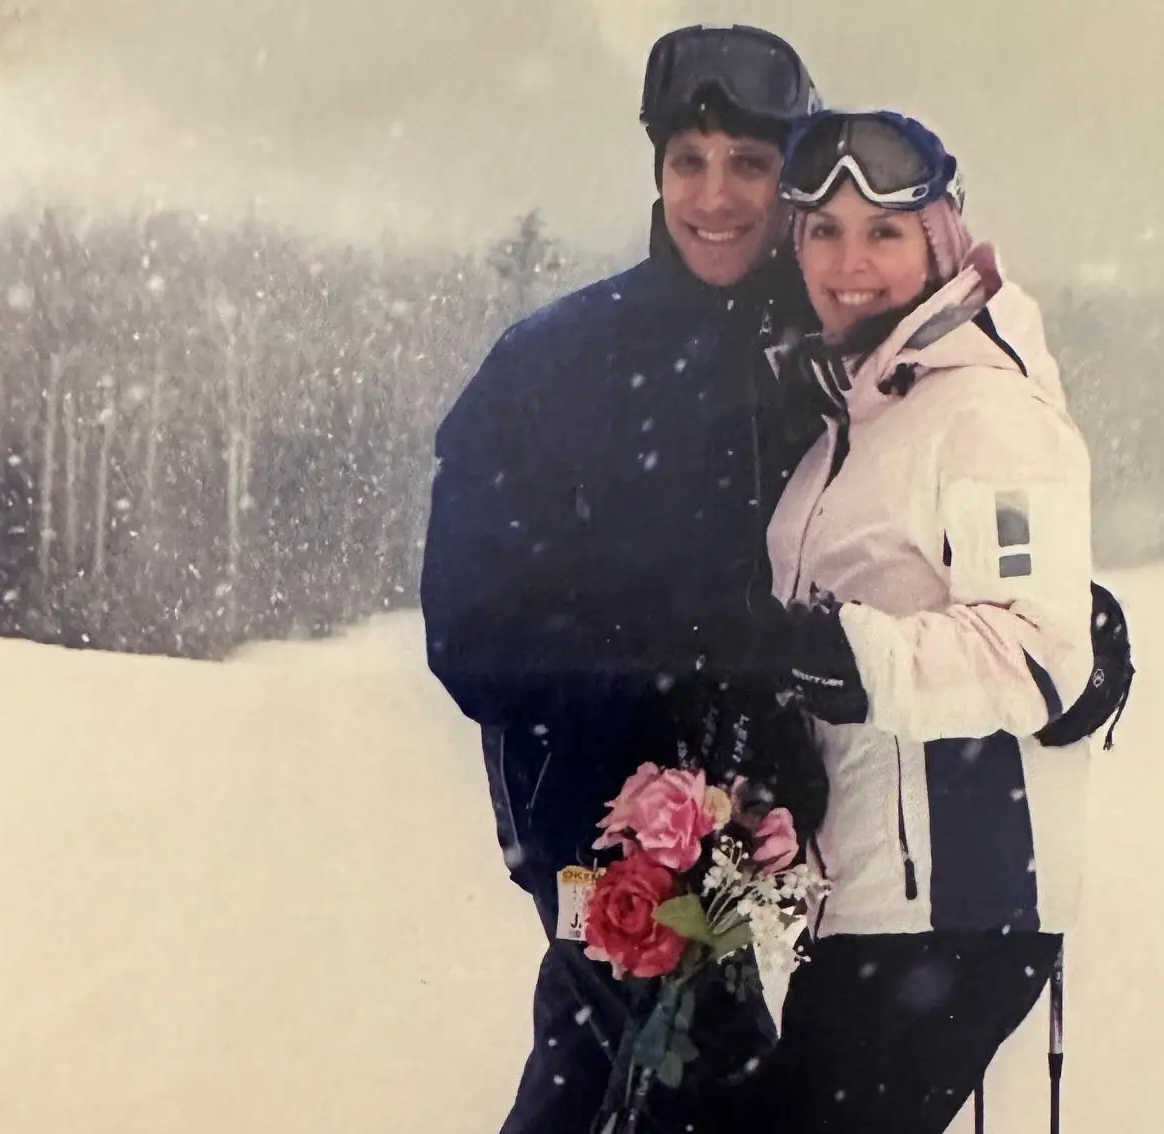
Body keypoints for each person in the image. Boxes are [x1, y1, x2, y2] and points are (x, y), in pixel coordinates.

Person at [419, 25, 831, 1134]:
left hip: (781, 840)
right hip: (606, 834)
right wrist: (650, 765)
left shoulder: (824, 355)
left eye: (750, 164)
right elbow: (473, 625)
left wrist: (1070, 630)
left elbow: (932, 519)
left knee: (685, 1090)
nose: (717, 197)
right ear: (655, 170)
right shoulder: (557, 362)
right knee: (632, 1074)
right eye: (689, 161)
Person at [709, 110, 1135, 1133]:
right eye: (823, 232)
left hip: (961, 908)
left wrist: (833, 655)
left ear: (941, 240)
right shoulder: (850, 426)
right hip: (869, 905)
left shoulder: (986, 411)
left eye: (884, 233)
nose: (850, 264)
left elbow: (1039, 651)